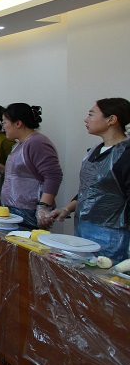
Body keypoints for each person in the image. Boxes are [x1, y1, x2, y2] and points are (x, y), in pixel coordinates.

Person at [49, 98, 130, 262]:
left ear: (111, 119)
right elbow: (89, 189)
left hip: (112, 236)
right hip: (83, 230)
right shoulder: (93, 152)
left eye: (91, 114)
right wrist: (67, 209)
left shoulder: (125, 155)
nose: (86, 119)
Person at [0, 103, 62, 229]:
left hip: (28, 212)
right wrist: (1, 168)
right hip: (13, 209)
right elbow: (23, 173)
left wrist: (44, 206)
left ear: (18, 123)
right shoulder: (19, 144)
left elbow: (53, 176)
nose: (3, 127)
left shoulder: (37, 142)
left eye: (4, 122)